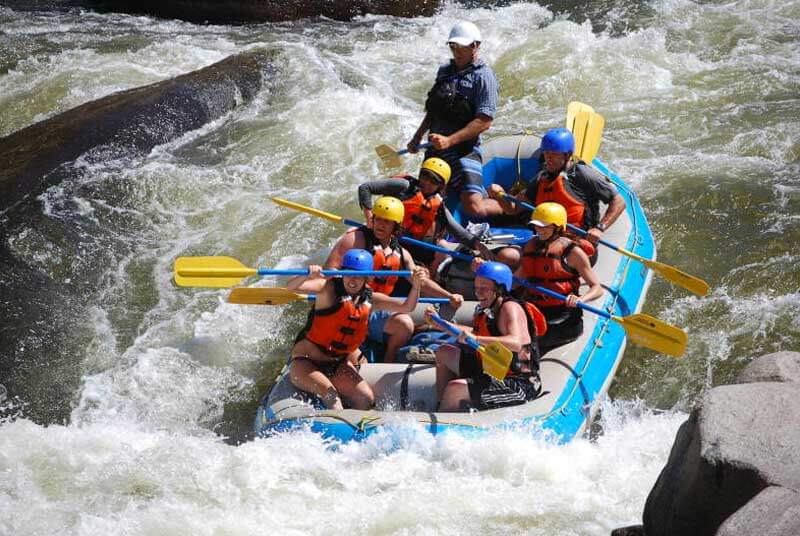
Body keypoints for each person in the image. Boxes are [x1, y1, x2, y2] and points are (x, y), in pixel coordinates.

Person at [326, 196, 462, 363]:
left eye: (387, 221)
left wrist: (448, 296)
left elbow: (421, 282)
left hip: (376, 308)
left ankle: (388, 364)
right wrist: (353, 288)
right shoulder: (355, 239)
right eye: (378, 219)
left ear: (396, 226)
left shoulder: (400, 253)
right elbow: (330, 271)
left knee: (404, 324)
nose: (381, 225)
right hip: (349, 306)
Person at [287, 249, 424, 410]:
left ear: (367, 278)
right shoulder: (327, 288)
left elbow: (407, 307)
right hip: (306, 362)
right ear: (342, 273)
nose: (352, 280)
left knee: (365, 398)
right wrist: (307, 275)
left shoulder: (370, 299)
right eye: (349, 274)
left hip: (336, 364)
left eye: (358, 276)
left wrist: (416, 286)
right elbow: (291, 288)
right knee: (330, 395)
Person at [407, 20, 503, 220]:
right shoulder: (444, 71)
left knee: (474, 207)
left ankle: (512, 209)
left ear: (475, 45)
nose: (457, 52)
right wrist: (417, 137)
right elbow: (434, 110)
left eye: (462, 47)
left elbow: (484, 121)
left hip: (464, 150)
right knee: (424, 198)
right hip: (436, 148)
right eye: (453, 46)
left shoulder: (484, 77)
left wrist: (449, 141)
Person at [489, 127, 627, 264]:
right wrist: (500, 196)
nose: (548, 158)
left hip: (576, 244)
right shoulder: (541, 178)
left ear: (567, 155)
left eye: (554, 154)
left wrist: (600, 228)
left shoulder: (581, 174)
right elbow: (513, 209)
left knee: (552, 259)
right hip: (546, 240)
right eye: (546, 153)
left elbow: (619, 201)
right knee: (507, 255)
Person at [424, 261, 546, 412]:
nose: (478, 293)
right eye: (476, 288)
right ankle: (443, 405)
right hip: (492, 368)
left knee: (455, 388)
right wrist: (442, 324)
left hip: (518, 383)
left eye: (484, 288)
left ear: (500, 289)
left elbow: (516, 343)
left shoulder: (510, 308)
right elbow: (475, 332)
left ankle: (446, 415)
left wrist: (476, 339)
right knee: (444, 352)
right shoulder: (487, 308)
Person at [357, 157, 493, 266]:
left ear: (441, 186)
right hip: (383, 235)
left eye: (433, 181)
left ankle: (431, 274)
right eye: (425, 176)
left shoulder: (438, 206)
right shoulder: (404, 186)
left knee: (441, 248)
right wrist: (369, 218)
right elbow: (365, 188)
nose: (426, 182)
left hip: (409, 245)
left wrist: (477, 245)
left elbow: (458, 231)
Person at [516, 202, 604, 354]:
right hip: (535, 310)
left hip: (563, 317)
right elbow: (515, 279)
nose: (538, 230)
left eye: (544, 226)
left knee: (529, 341)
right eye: (536, 226)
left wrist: (580, 299)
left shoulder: (572, 252)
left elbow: (597, 288)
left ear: (557, 227)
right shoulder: (531, 247)